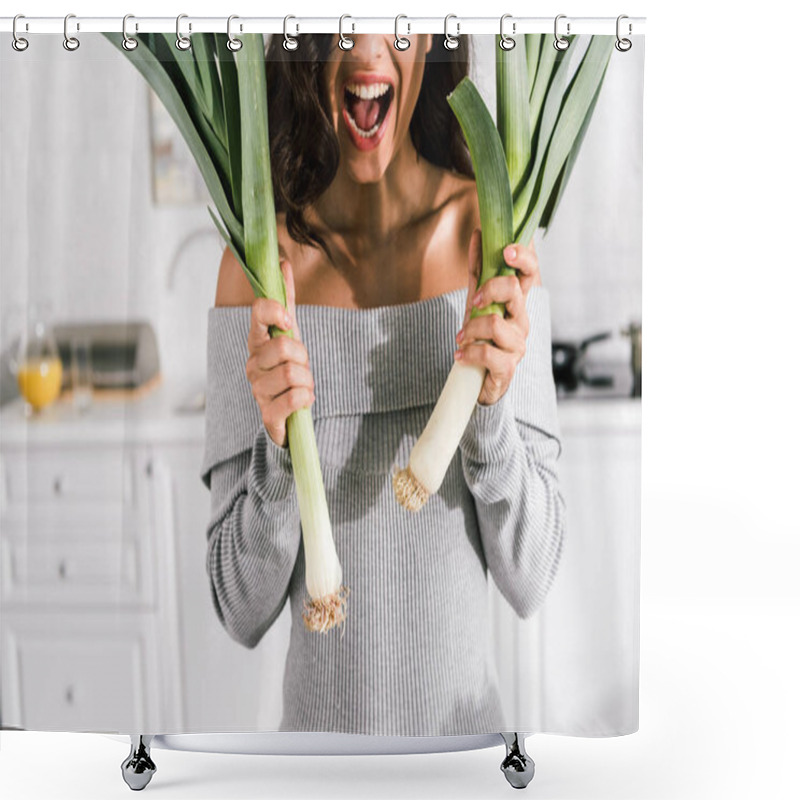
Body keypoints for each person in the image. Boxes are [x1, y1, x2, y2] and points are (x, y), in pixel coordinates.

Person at [200, 33, 565, 736]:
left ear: (429, 34)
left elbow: (533, 575)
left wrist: (488, 410)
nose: (368, 44)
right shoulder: (258, 272)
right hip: (316, 771)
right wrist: (276, 453)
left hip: (462, 768)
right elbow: (237, 608)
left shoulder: (490, 242)